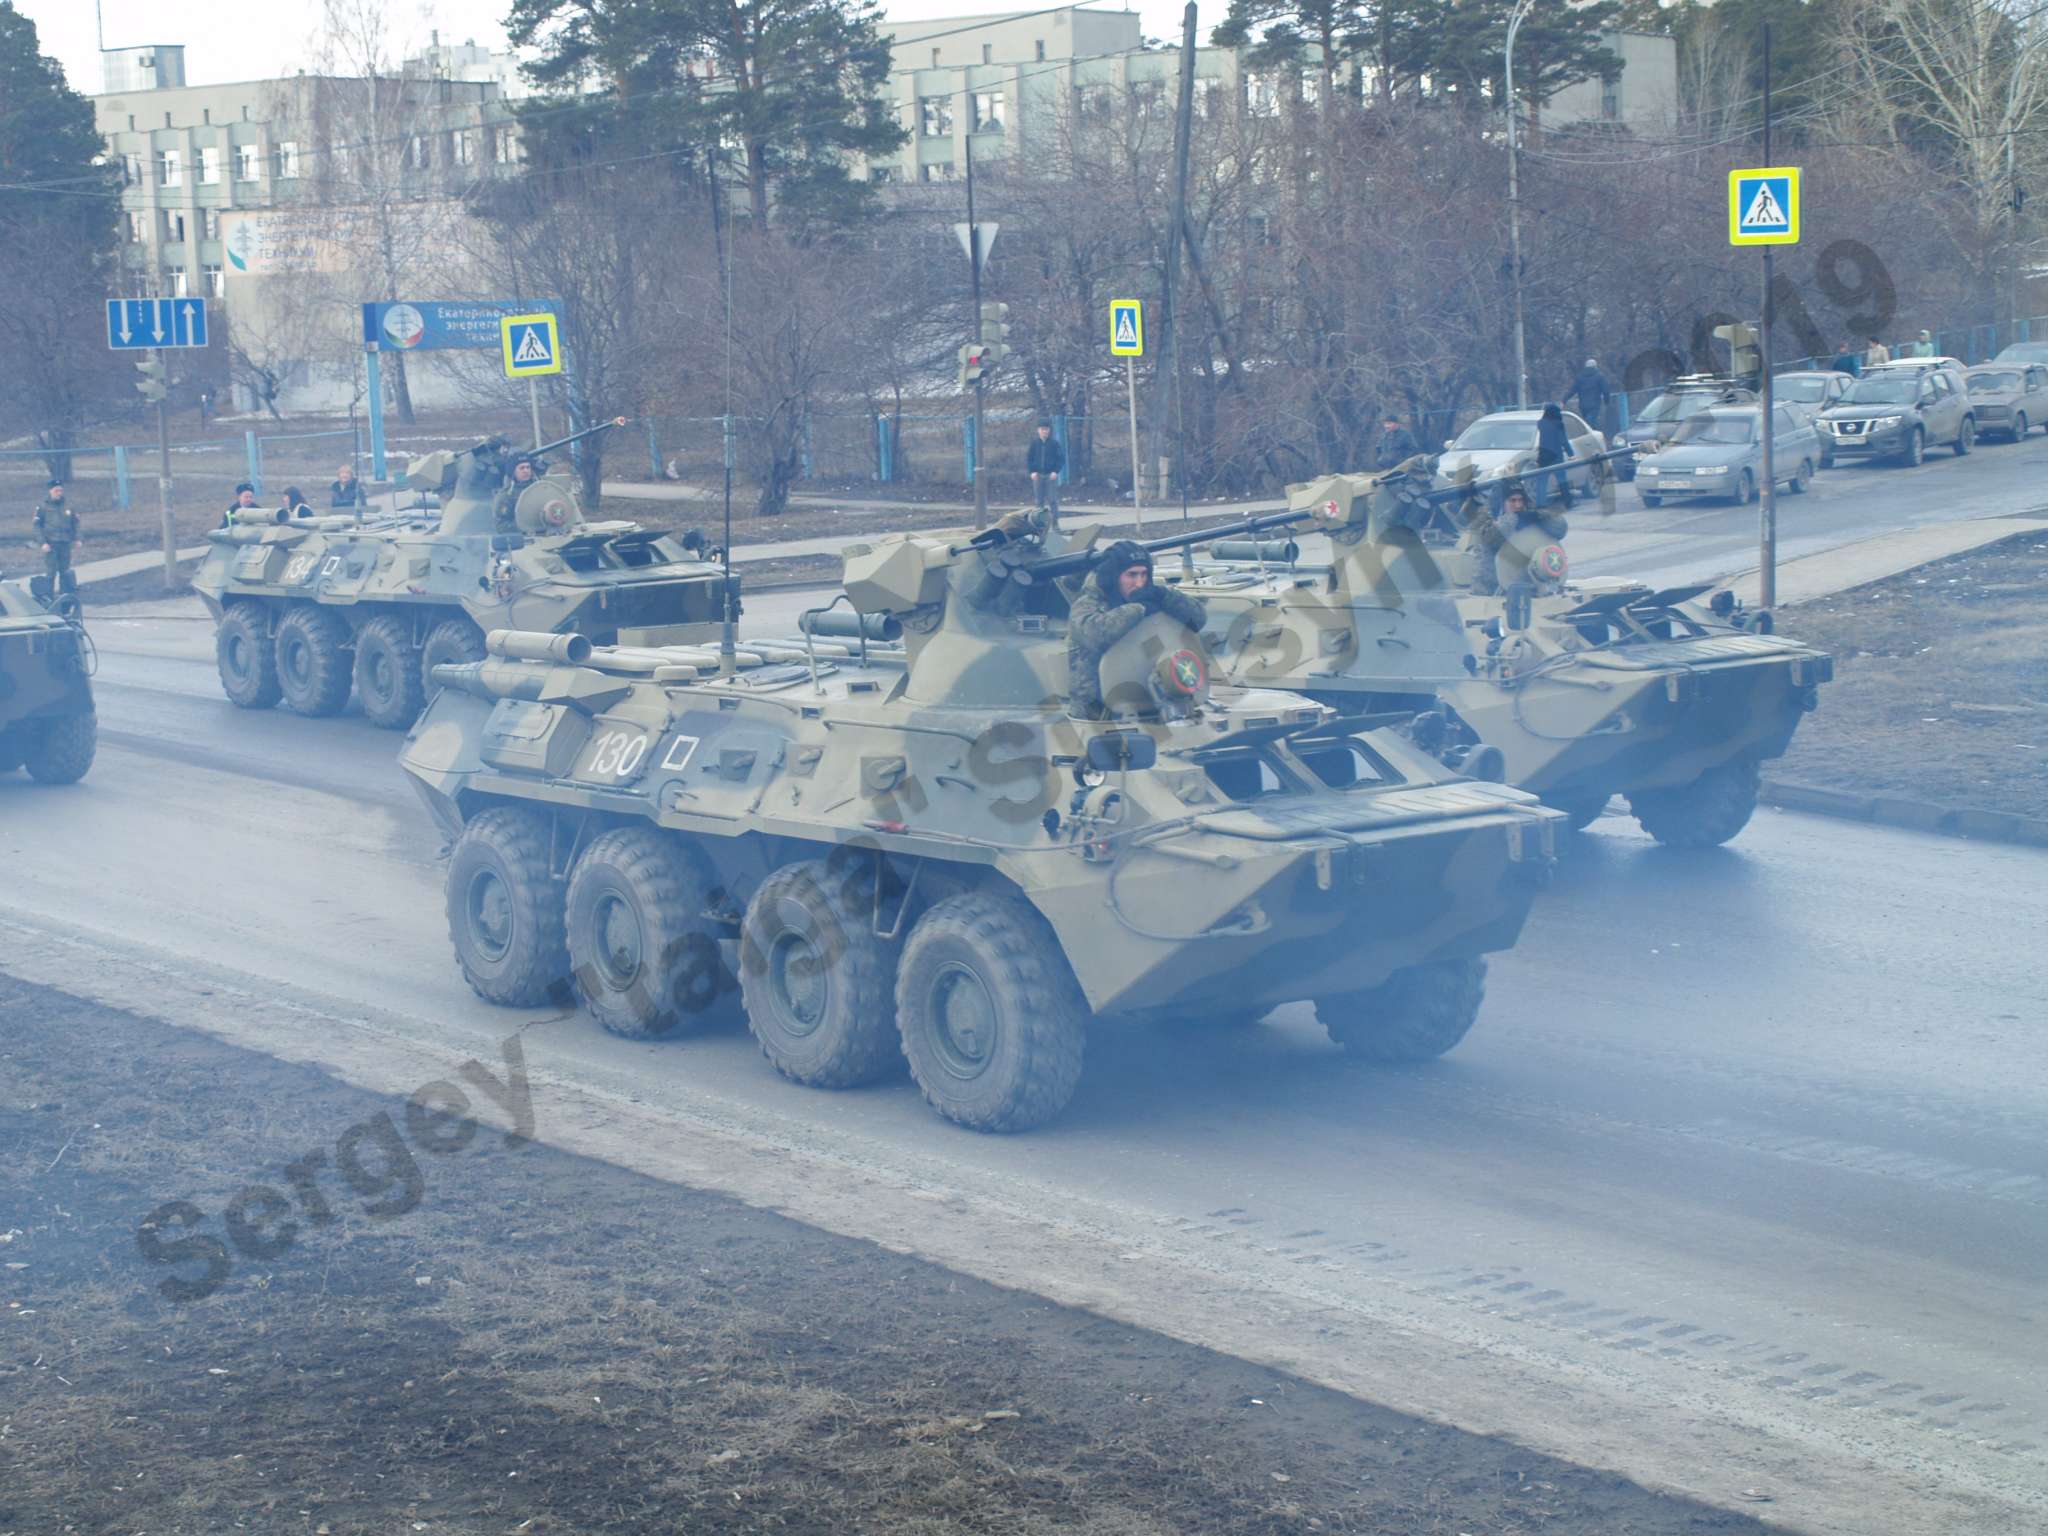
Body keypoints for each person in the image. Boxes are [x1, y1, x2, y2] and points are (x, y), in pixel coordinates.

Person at [1066, 540, 1207, 720]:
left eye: (1144, 574)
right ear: (1114, 576)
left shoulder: (1153, 596)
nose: (1140, 583)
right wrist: (1137, 608)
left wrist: (1165, 596)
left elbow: (1199, 619)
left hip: (1152, 702)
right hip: (1098, 714)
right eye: (1131, 575)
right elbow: (1096, 635)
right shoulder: (1088, 605)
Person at [1469, 482, 1568, 597]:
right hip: (1491, 589)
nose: (1518, 505)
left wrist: (1540, 517)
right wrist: (1512, 519)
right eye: (1512, 501)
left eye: (1521, 500)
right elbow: (1492, 539)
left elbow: (1561, 529)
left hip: (1534, 583)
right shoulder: (1485, 522)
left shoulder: (1530, 515)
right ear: (1500, 503)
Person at [32, 479, 79, 598]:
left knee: (65, 572)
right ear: (50, 491)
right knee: (51, 572)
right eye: (56, 490)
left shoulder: (68, 505)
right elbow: (37, 526)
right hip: (51, 543)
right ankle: (49, 596)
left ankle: (64, 596)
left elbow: (75, 523)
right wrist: (42, 542)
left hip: (65, 542)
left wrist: (77, 538)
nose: (59, 493)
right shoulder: (42, 506)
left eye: (60, 490)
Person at [1534, 402, 1575, 509]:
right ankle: (1568, 503)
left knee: (1542, 481)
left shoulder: (1540, 423)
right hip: (1556, 455)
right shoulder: (1559, 424)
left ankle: (1540, 504)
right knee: (1562, 480)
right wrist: (1571, 453)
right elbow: (1563, 440)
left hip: (1543, 455)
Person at [1026, 422, 1065, 525]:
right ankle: (1040, 523)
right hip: (1037, 475)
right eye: (1042, 429)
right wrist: (1032, 471)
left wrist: (1055, 471)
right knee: (1039, 501)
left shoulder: (1054, 444)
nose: (1044, 431)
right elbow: (1029, 458)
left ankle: (1055, 523)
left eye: (1046, 429)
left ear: (1049, 430)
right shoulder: (1034, 444)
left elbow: (1061, 459)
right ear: (1038, 430)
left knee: (1052, 500)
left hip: (1050, 476)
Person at [493, 454, 540, 532]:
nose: (526, 470)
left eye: (528, 467)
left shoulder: (540, 488)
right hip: (523, 538)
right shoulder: (506, 495)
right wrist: (527, 526)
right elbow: (501, 526)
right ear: (513, 471)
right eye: (521, 468)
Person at [1569, 359, 1611, 434]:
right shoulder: (1599, 376)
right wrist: (1606, 401)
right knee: (1590, 423)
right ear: (1595, 366)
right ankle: (1593, 437)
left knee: (1588, 423)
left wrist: (1564, 400)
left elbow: (1572, 390)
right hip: (1594, 405)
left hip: (1583, 406)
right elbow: (1606, 390)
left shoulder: (1580, 377)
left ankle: (1591, 436)